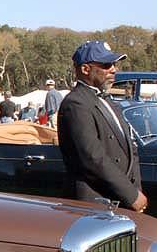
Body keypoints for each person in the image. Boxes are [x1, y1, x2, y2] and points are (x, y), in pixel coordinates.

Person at [57, 40, 147, 213]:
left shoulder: (109, 102)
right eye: (106, 65)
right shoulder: (76, 103)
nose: (114, 69)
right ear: (85, 69)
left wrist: (136, 190)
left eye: (114, 64)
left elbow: (131, 150)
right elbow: (92, 158)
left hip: (120, 201)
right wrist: (131, 195)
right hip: (93, 204)